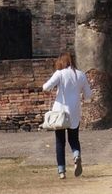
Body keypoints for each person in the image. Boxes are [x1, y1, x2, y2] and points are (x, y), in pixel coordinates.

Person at [42, 51, 93, 179]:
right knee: (74, 139)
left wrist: (50, 89)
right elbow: (88, 95)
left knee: (60, 141)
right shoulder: (81, 75)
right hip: (74, 111)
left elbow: (46, 87)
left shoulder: (60, 73)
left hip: (60, 112)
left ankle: (61, 171)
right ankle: (76, 155)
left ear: (61, 62)